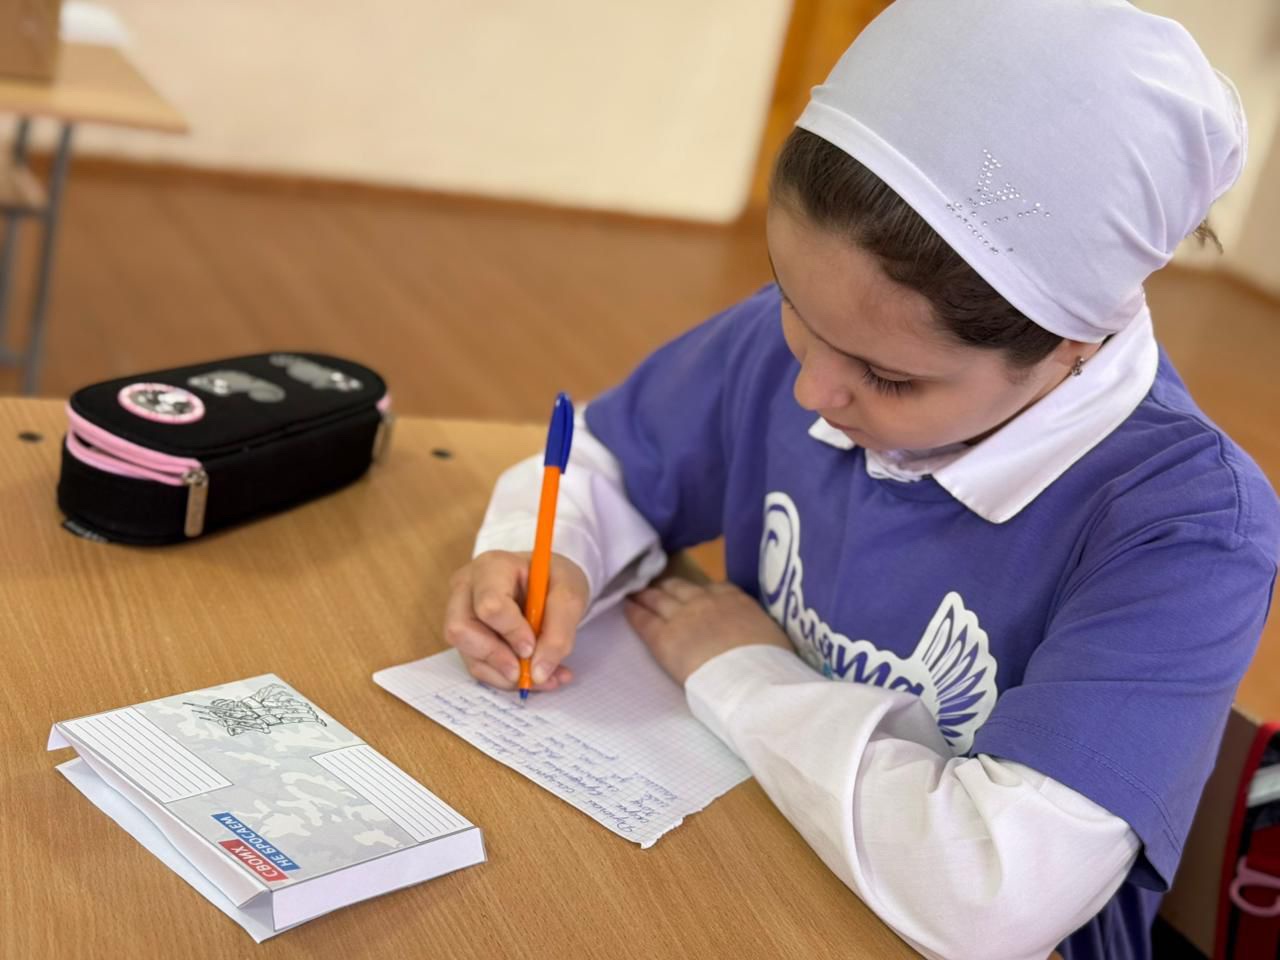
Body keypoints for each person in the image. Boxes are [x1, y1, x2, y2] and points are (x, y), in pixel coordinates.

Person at [442, 2, 1280, 957]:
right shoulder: (828, 335)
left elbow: (990, 895)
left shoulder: (1185, 528)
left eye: (888, 378)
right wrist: (548, 551)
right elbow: (605, 459)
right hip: (752, 840)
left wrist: (743, 672)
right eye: (793, 305)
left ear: (1072, 347)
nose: (810, 389)